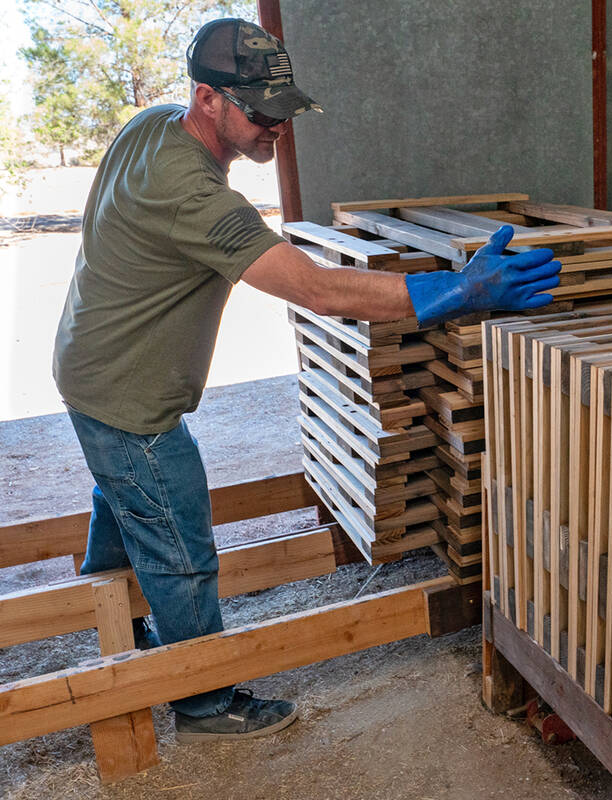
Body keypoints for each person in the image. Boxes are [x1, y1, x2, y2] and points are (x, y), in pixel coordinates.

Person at [52, 17, 560, 743]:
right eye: (262, 112)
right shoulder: (188, 190)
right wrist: (455, 290)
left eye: (284, 108)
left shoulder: (152, 125)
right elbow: (317, 290)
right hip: (127, 394)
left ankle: (118, 621)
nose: (278, 126)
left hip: (90, 365)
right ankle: (203, 703)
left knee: (126, 496)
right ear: (206, 98)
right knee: (178, 537)